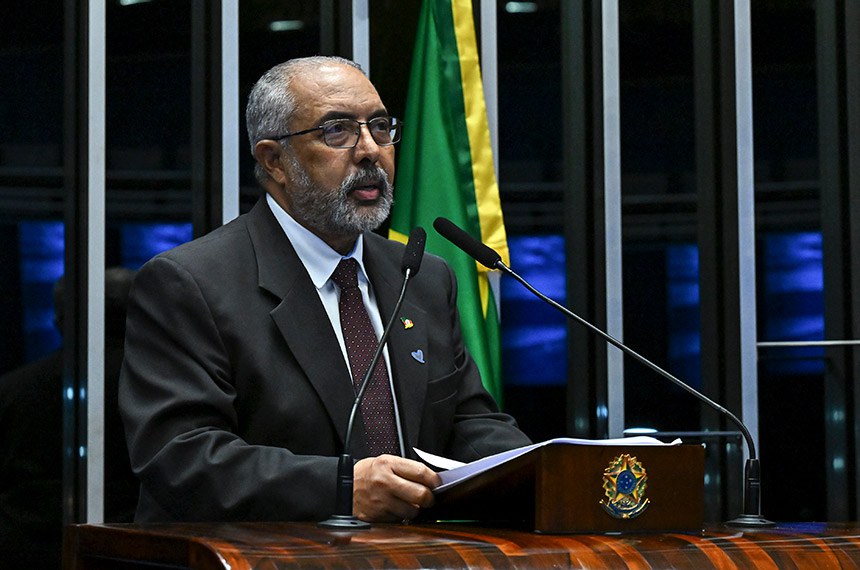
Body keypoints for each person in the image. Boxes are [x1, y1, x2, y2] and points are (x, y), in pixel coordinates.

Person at [118, 55, 531, 524]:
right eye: (338, 131)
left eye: (380, 127)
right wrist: (340, 489)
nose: (370, 149)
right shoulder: (190, 282)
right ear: (274, 161)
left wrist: (547, 471)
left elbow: (468, 423)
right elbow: (181, 459)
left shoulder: (422, 276)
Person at [0, 267, 138, 569]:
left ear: (60, 321)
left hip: (23, 551)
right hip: (133, 550)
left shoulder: (13, 389)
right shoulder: (159, 390)